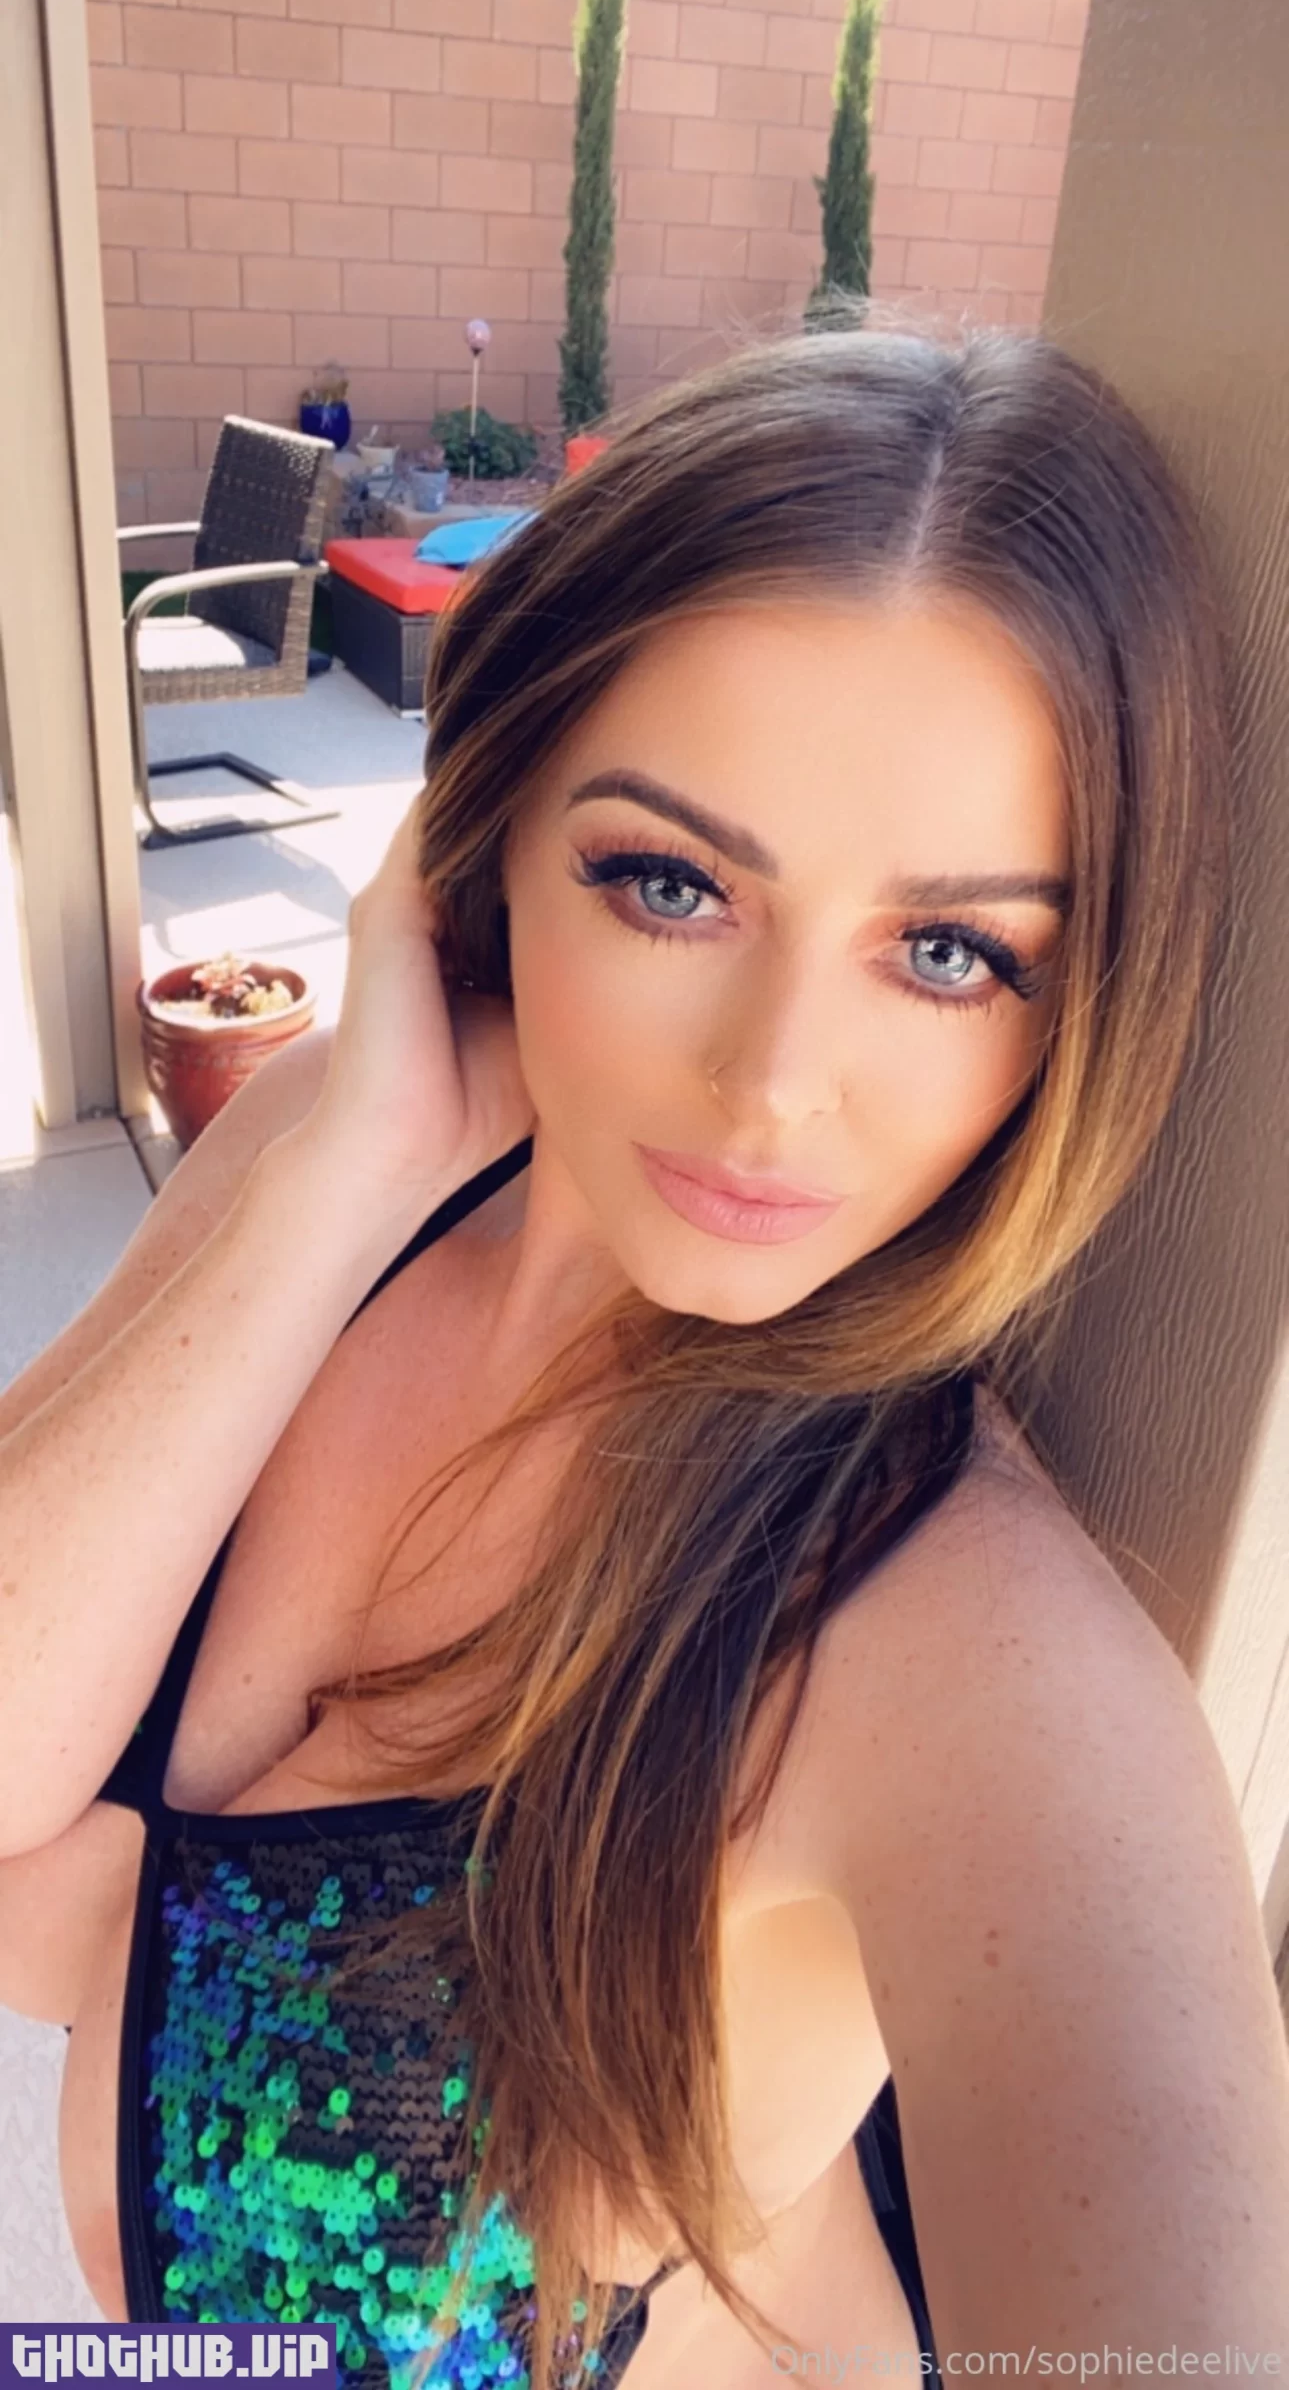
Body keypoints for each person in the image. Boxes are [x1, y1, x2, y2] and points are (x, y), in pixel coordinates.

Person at [0, 315, 1286, 2390]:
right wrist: (342, 1181)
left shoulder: (957, 1637)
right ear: (487, 839)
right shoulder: (356, 1156)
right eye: (669, 882)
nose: (772, 1084)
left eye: (947, 950)